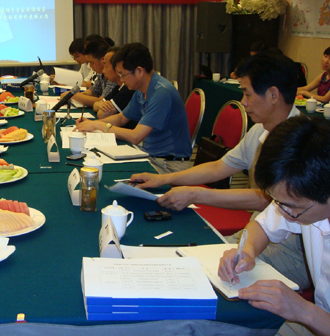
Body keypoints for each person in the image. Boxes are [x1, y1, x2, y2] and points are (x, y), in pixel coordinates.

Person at [131, 53, 311, 290]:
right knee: (188, 258)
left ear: (273, 95)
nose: (243, 102)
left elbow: (267, 200)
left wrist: (196, 194)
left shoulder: (302, 143)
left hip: (292, 251)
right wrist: (164, 179)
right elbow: (220, 166)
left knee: (202, 275)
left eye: (247, 94)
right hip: (258, 234)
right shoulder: (260, 131)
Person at [218, 115, 330, 336]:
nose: (283, 213)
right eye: (278, 203)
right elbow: (261, 226)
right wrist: (247, 252)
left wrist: (303, 311)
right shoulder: (301, 200)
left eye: (291, 208)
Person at [76, 42, 192, 173]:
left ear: (139, 71)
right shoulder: (141, 89)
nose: (121, 80)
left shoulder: (161, 93)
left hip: (169, 165)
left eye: (123, 75)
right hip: (151, 156)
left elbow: (135, 137)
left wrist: (99, 125)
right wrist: (92, 124)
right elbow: (121, 118)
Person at [60, 39, 115, 108]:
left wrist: (74, 95)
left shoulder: (113, 75)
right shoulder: (101, 73)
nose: (90, 66)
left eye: (91, 62)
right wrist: (71, 94)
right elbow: (92, 92)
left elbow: (101, 101)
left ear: (102, 60)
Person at [92, 47, 135, 125]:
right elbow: (96, 105)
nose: (103, 71)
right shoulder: (119, 87)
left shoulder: (129, 88)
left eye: (106, 66)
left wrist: (94, 124)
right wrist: (101, 105)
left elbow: (102, 114)